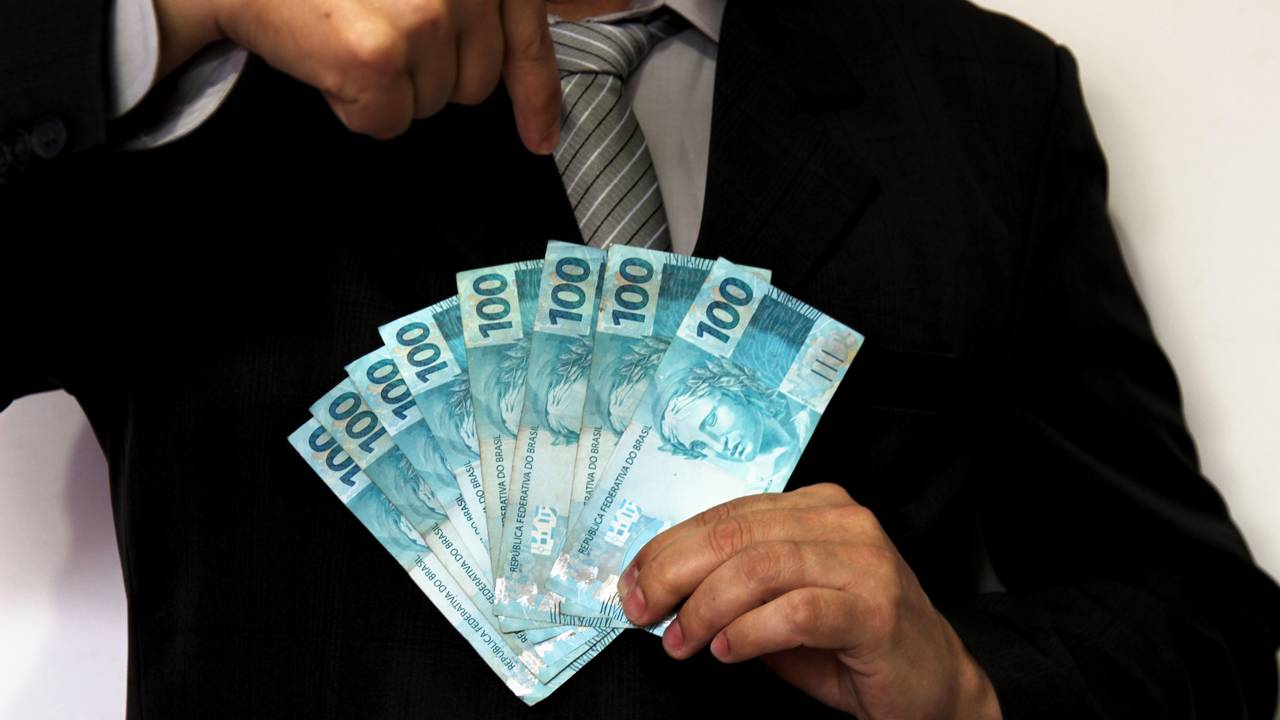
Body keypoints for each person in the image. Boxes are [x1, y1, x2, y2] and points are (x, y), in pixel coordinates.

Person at [3, 1, 1279, 718]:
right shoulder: (185, 79)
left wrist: (964, 680)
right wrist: (161, 16)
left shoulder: (979, 98)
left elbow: (1195, 619)